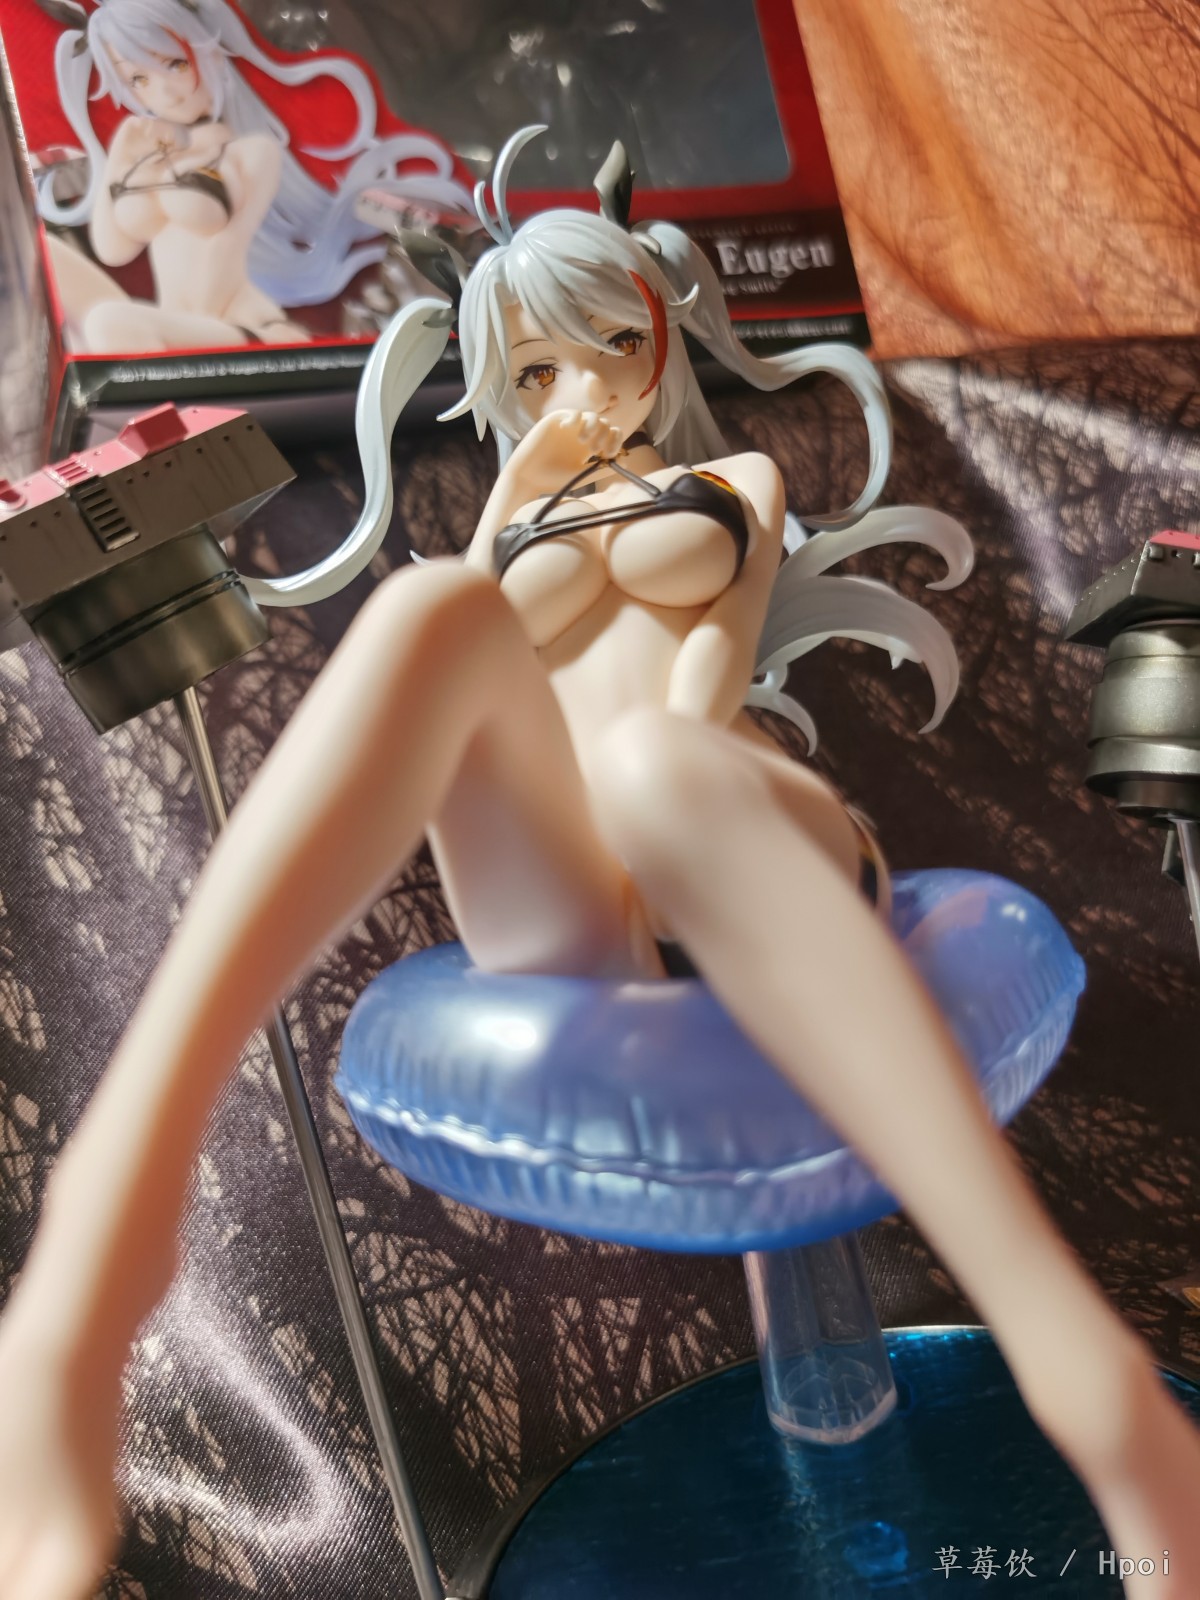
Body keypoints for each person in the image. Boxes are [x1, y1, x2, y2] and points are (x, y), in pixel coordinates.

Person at [0, 126, 1196, 1600]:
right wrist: (525, 483)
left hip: (739, 825)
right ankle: (97, 1250)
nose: (590, 380)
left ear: (662, 336)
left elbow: (708, 671)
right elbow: (478, 682)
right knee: (432, 612)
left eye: (616, 340)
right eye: (542, 363)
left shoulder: (735, 475)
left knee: (652, 762)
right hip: (582, 900)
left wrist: (633, 750)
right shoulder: (519, 516)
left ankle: (1094, 1387)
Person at [37, 0, 473, 351]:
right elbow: (112, 249)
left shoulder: (250, 151)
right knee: (42, 252)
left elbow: (204, 212)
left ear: (207, 52)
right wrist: (122, 157)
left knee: (109, 323)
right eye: (138, 79)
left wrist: (159, 166)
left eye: (175, 65)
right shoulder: (146, 150)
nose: (163, 92)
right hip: (169, 325)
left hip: (238, 327)